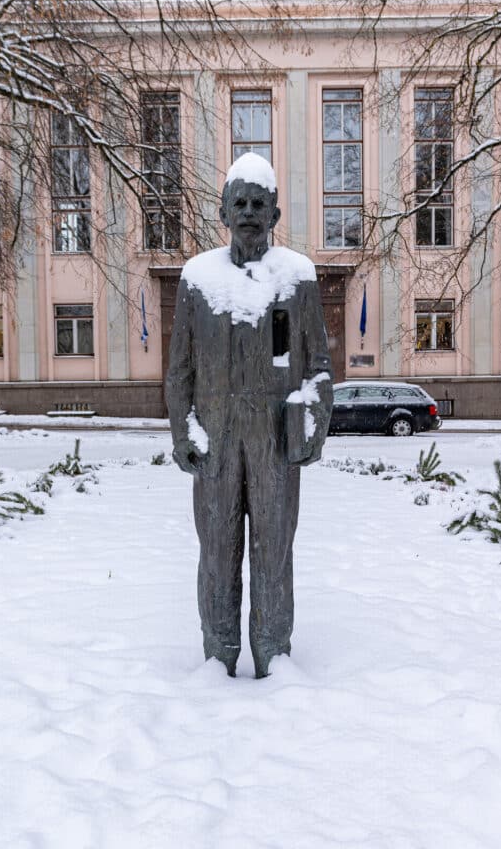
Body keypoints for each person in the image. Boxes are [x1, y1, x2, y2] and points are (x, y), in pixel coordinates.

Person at [166, 153, 332, 678]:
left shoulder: (298, 279)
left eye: (259, 203)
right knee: (216, 550)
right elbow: (179, 371)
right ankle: (218, 654)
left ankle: (273, 653)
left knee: (274, 549)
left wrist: (312, 420)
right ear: (222, 212)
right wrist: (182, 430)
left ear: (275, 215)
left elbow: (319, 367)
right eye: (239, 202)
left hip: (274, 440)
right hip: (215, 441)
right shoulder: (197, 279)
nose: (249, 212)